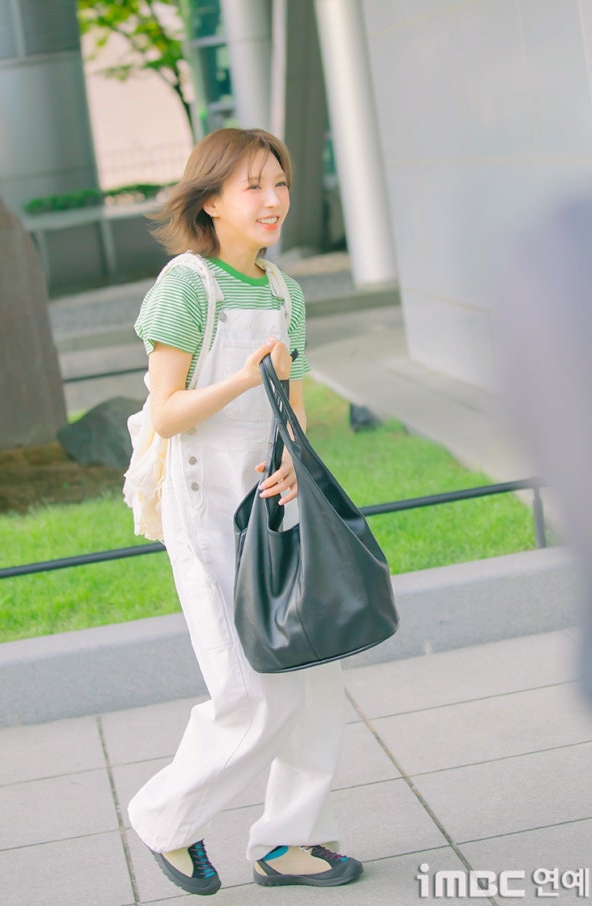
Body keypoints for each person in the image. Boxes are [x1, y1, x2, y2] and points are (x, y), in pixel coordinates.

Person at [126, 128, 363, 896]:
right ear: (210, 202)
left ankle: (290, 840)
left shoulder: (285, 292)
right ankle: (164, 818)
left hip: (275, 500)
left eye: (280, 183)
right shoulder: (187, 285)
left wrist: (295, 457)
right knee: (252, 691)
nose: (273, 200)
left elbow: (290, 397)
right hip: (206, 505)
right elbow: (165, 414)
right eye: (253, 185)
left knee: (314, 677)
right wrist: (240, 379)